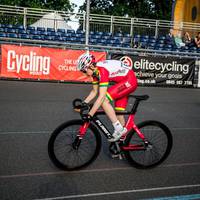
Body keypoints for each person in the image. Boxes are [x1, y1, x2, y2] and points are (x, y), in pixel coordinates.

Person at [76, 53, 138, 142]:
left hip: (129, 81)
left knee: (104, 100)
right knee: (118, 113)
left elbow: (101, 97)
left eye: (84, 71)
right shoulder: (95, 73)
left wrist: (90, 114)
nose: (84, 74)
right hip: (123, 81)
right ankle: (121, 143)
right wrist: (83, 103)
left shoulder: (102, 71)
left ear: (91, 66)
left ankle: (118, 128)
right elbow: (94, 92)